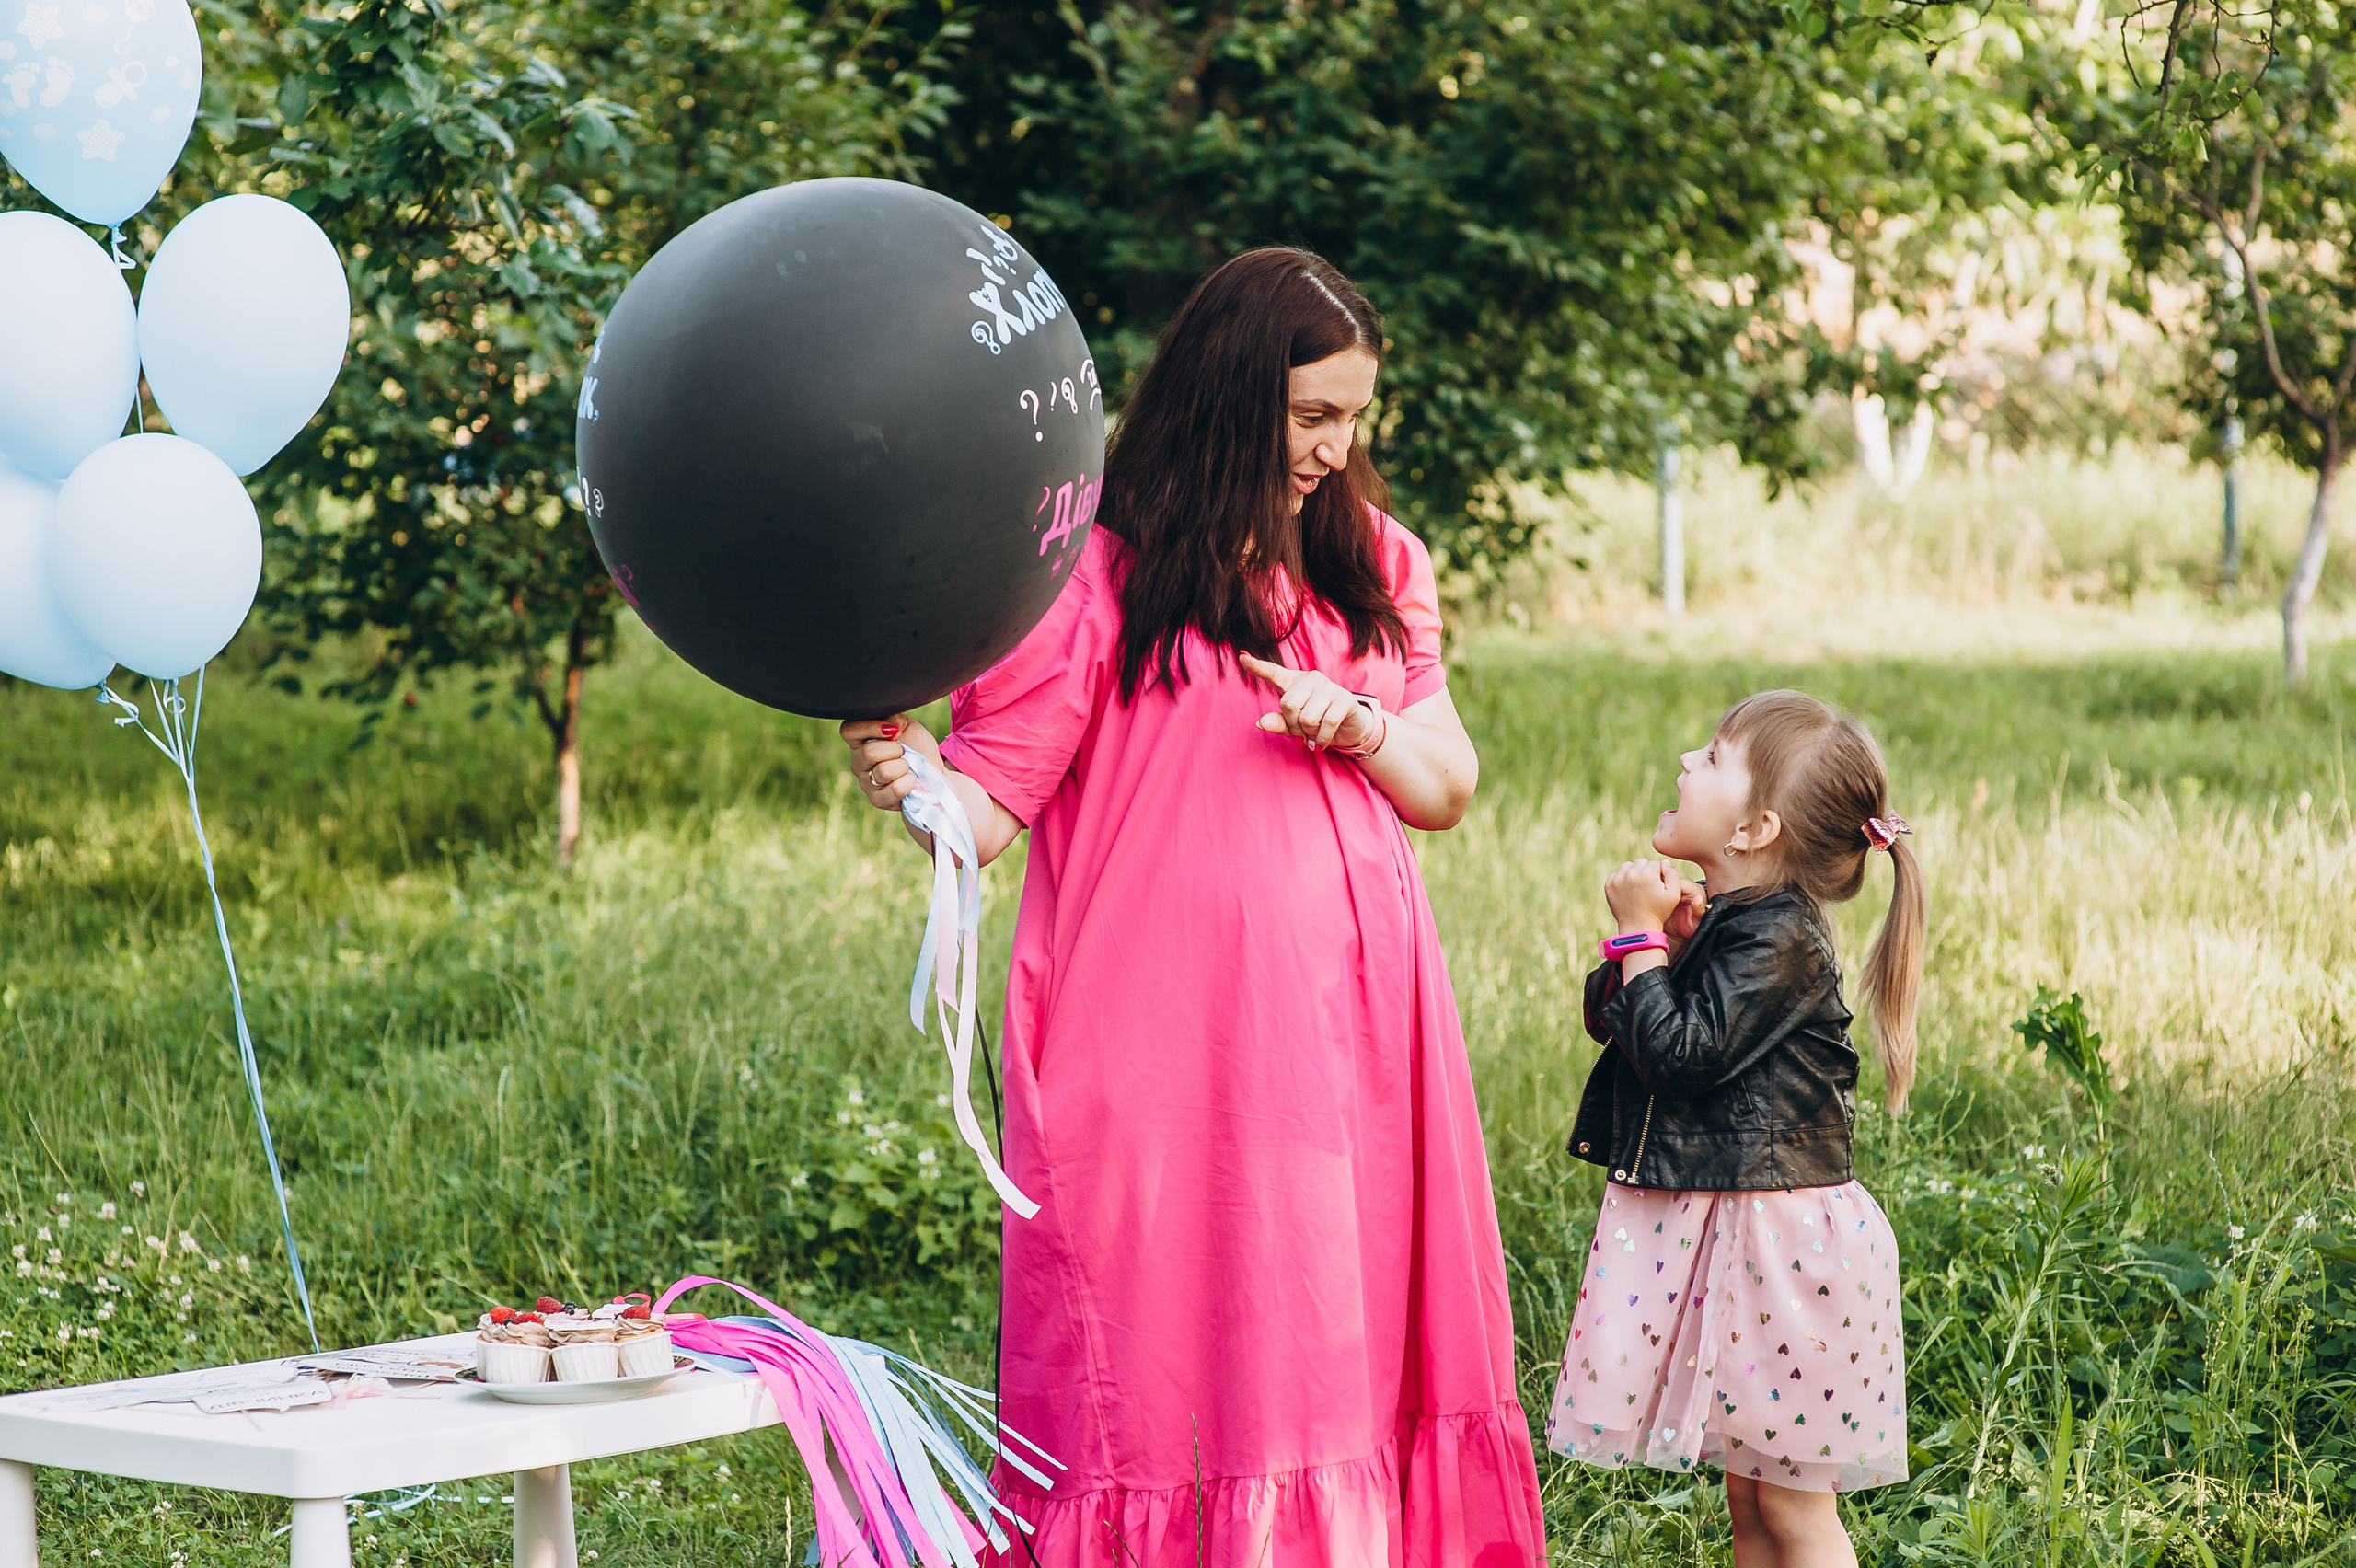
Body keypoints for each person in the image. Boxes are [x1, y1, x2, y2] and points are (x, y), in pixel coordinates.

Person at [842, 248, 1548, 1566]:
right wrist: (915, 782)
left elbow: (1446, 783)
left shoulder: (1373, 560)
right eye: (1314, 416)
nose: (1339, 448)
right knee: (1178, 1364)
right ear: (1232, 397)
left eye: (1355, 416)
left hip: (1361, 1040)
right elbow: (990, 814)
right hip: (1165, 1048)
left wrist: (1362, 728)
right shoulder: (1092, 572)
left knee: (1344, 1338)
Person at [1547, 690, 1923, 1568]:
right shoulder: (1732, 925)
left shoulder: (1783, 938)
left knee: (1795, 1514)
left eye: (1713, 758)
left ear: (1754, 830)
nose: (1686, 763)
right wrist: (1658, 950)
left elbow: (1678, 1054)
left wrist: (1640, 938)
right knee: (1750, 1511)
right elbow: (1621, 1025)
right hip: (1746, 1245)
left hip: (1786, 1256)